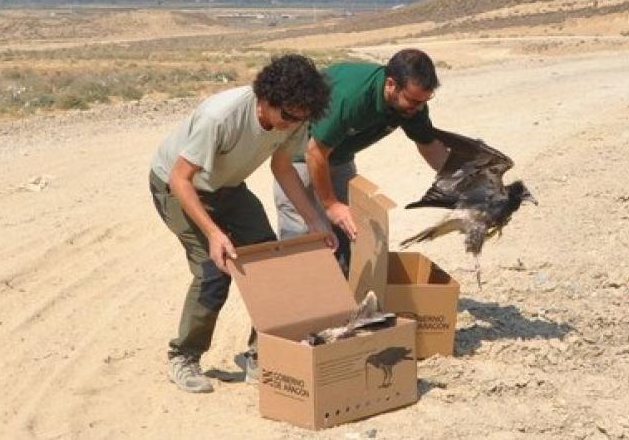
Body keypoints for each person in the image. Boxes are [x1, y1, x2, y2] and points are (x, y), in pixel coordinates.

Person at [149, 54, 334, 393]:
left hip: (227, 187)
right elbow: (180, 179)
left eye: (300, 119)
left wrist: (314, 221)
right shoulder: (220, 117)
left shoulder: (293, 117)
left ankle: (261, 354)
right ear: (265, 99)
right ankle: (184, 356)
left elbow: (282, 167)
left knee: (269, 264)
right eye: (288, 116)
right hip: (176, 187)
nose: (291, 124)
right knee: (213, 271)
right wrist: (215, 233)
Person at [274, 48, 449, 270]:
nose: (419, 107)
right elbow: (315, 152)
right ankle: (294, 297)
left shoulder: (412, 106)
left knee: (349, 229)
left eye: (425, 100)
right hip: (300, 155)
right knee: (302, 234)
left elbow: (429, 145)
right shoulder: (352, 97)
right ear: (391, 85)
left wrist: (460, 184)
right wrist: (330, 204)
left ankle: (344, 296)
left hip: (338, 155)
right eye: (414, 100)